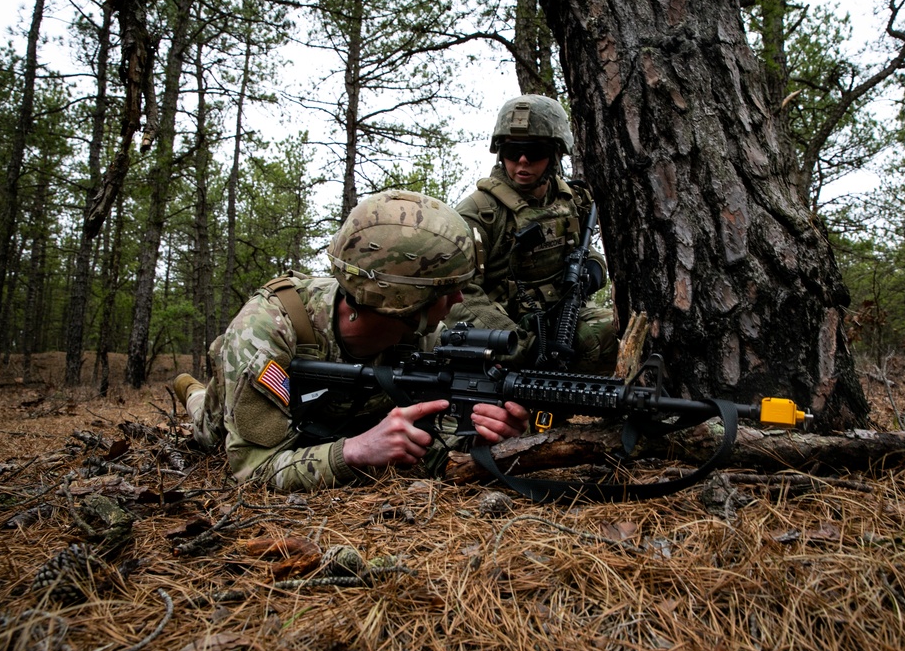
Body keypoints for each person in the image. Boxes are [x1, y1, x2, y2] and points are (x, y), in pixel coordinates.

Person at [174, 190, 530, 492]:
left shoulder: (424, 339)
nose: (459, 302)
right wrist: (354, 451)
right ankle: (192, 387)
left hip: (343, 416)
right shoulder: (267, 331)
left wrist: (484, 438)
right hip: (241, 390)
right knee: (206, 426)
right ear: (404, 300)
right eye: (447, 291)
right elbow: (250, 469)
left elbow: (438, 442)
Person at [446, 94, 618, 374]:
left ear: (555, 154)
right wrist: (521, 343)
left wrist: (593, 270)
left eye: (534, 151)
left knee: (609, 331)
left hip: (557, 317)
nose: (522, 161)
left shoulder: (568, 198)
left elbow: (583, 248)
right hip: (501, 329)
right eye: (513, 151)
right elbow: (460, 296)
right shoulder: (480, 212)